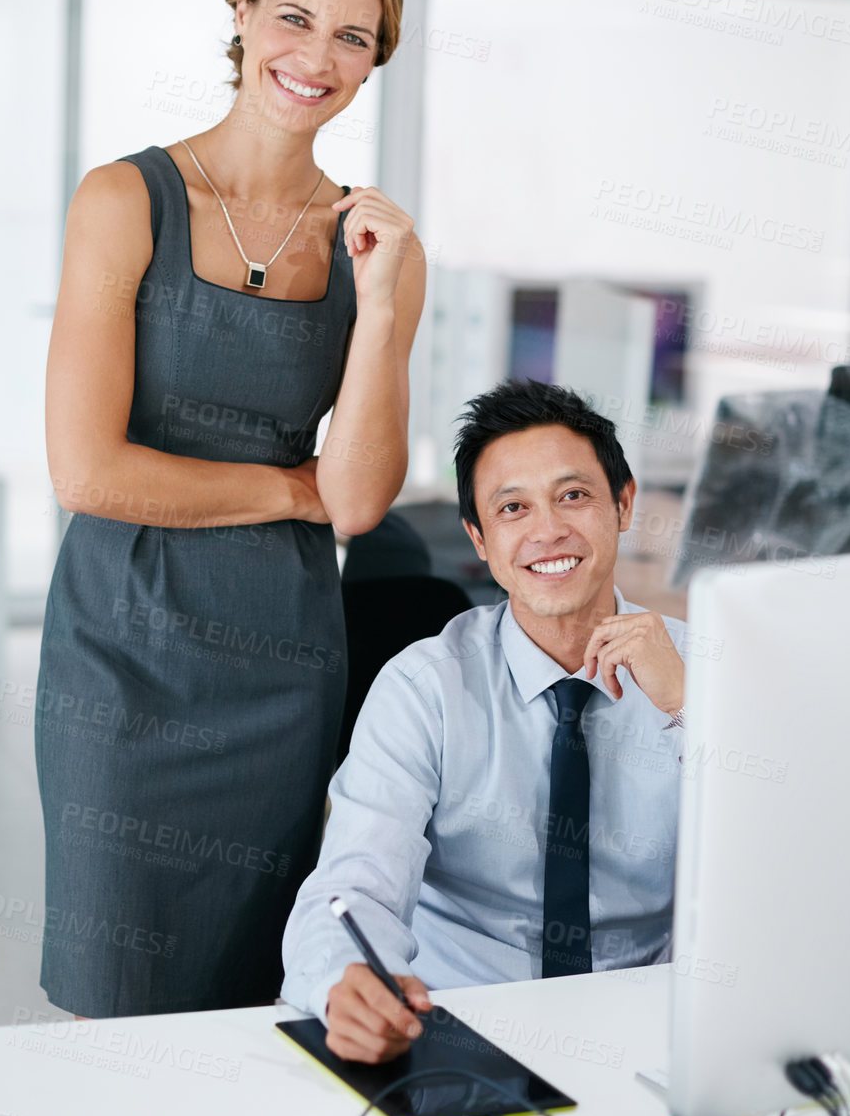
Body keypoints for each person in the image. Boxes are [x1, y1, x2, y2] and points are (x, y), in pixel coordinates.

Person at [37, 0, 425, 1017]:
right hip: (122, 660)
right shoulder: (125, 201)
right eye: (294, 17)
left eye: (353, 37)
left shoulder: (375, 252)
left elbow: (352, 500)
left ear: (374, 61)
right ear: (243, 14)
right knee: (114, 993)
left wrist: (388, 301)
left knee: (263, 994)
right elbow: (87, 473)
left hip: (281, 665)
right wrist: (284, 489)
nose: (316, 57)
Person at [281, 378, 686, 1063]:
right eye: (512, 508)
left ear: (623, 504)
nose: (547, 530)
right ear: (480, 537)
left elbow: (794, 865)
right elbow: (356, 881)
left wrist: (690, 707)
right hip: (459, 1020)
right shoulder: (425, 687)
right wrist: (344, 983)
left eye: (574, 495)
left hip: (652, 1021)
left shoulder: (704, 671)